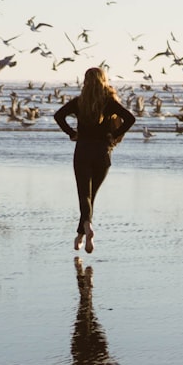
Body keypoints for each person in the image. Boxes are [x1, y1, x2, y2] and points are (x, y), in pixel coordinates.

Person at [53, 66, 136, 252]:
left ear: (85, 81)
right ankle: (81, 235)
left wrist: (71, 133)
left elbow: (58, 116)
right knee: (91, 197)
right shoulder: (109, 102)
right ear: (103, 81)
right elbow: (130, 119)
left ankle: (86, 230)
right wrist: (114, 135)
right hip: (102, 152)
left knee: (85, 196)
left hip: (82, 150)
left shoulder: (78, 102)